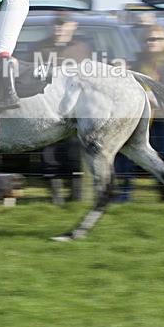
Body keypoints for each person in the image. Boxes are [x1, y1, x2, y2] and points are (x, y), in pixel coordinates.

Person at [114, 25, 164, 203]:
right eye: (149, 39)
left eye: (157, 39)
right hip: (140, 120)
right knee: (126, 154)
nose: (152, 43)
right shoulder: (138, 64)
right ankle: (122, 194)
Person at [34, 14, 92, 204]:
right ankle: (55, 193)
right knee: (48, 149)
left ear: (73, 26)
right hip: (47, 107)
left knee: (74, 148)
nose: (59, 28)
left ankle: (76, 191)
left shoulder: (81, 49)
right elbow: (32, 74)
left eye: (63, 24)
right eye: (56, 24)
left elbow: (89, 76)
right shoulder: (40, 48)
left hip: (75, 108)